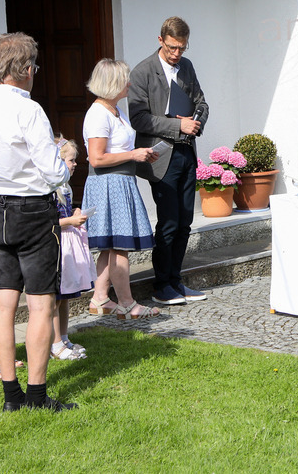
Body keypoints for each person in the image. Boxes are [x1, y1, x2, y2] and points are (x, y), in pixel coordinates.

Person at [0, 32, 75, 412]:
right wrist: (63, 175)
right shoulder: (28, 109)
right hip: (32, 209)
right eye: (35, 67)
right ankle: (37, 397)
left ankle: (12, 397)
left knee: (5, 303)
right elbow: (52, 169)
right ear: (26, 69)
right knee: (41, 304)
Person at [129, 17, 209, 306]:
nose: (177, 54)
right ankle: (161, 284)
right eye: (173, 47)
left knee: (186, 221)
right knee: (168, 222)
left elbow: (201, 102)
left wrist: (196, 121)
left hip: (187, 151)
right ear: (160, 39)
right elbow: (139, 118)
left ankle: (176, 280)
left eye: (182, 49)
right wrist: (178, 126)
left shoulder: (186, 67)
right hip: (160, 155)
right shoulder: (142, 72)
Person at [83, 59, 161, 319]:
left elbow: (119, 150)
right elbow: (96, 158)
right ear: (112, 84)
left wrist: (139, 155)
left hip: (119, 181)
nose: (129, 83)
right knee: (119, 247)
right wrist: (132, 155)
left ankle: (100, 298)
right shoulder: (98, 114)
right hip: (108, 183)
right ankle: (127, 303)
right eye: (124, 80)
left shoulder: (114, 110)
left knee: (110, 247)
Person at [51, 137, 92, 360]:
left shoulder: (64, 187)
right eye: (70, 160)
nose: (75, 164)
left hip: (67, 243)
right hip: (56, 244)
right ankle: (55, 343)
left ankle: (64, 337)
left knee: (65, 296)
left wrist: (74, 214)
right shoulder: (50, 189)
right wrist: (69, 222)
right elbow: (49, 221)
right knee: (56, 296)